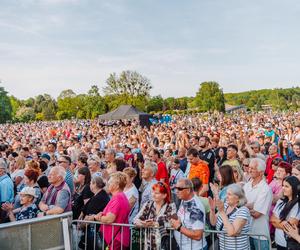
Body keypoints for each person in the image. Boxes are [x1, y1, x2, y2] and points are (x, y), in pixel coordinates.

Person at [134, 181, 176, 250]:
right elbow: (136, 220)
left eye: (156, 193)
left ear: (164, 195)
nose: (153, 195)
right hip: (148, 244)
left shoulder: (171, 206)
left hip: (163, 245)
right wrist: (143, 224)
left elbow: (171, 223)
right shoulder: (148, 204)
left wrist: (154, 224)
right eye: (152, 192)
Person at [94, 172, 130, 250]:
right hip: (116, 238)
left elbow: (109, 219)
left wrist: (97, 217)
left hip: (115, 239)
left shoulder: (118, 198)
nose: (108, 184)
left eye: (110, 182)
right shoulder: (121, 196)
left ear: (116, 186)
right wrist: (103, 214)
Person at [209, 183, 250, 250]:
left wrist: (222, 212)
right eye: (226, 194)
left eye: (229, 194)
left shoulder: (243, 211)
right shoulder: (225, 206)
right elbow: (213, 222)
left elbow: (232, 232)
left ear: (238, 198)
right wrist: (212, 210)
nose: (226, 196)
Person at [243, 158, 273, 250]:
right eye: (249, 167)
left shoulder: (265, 189)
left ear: (261, 172)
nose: (250, 170)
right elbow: (239, 203)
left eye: (253, 168)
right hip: (246, 232)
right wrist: (249, 206)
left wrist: (243, 207)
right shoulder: (247, 185)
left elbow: (256, 214)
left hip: (260, 235)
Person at [170, 178, 207, 250]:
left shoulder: (195, 207)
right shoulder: (185, 199)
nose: (176, 191)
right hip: (184, 247)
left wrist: (178, 227)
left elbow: (198, 235)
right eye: (176, 188)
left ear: (188, 190)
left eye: (179, 189)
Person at [78, 175, 110, 250]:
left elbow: (89, 216)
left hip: (94, 230)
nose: (89, 185)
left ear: (95, 184)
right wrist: (82, 213)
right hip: (92, 230)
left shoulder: (100, 197)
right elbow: (86, 207)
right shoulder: (98, 194)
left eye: (90, 183)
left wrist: (81, 225)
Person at [270, 176, 300, 249]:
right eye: (283, 185)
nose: (283, 188)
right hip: (278, 242)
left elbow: (290, 226)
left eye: (286, 186)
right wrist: (284, 222)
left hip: (289, 245)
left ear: (294, 188)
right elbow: (271, 220)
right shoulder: (281, 201)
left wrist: (276, 221)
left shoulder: (298, 204)